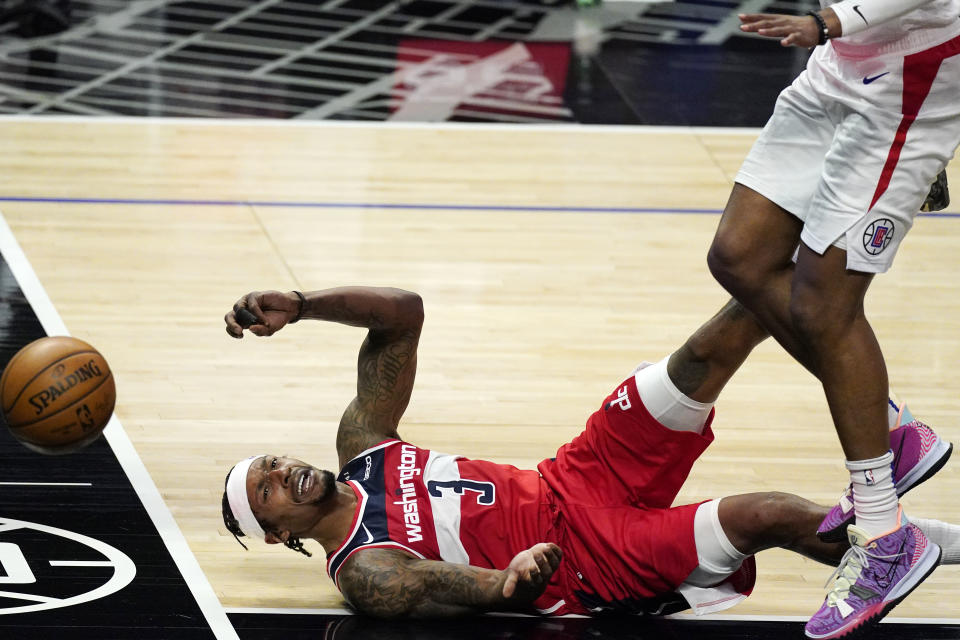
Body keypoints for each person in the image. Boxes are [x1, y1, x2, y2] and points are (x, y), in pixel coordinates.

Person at [220, 287, 959, 629]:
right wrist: (513, 577)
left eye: (272, 461)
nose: (283, 472)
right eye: (268, 490)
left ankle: (829, 246)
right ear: (281, 534)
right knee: (767, 515)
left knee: (726, 329)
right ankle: (914, 543)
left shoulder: (362, 446)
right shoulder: (361, 567)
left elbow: (403, 313)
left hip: (577, 472)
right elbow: (462, 589)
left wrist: (303, 303)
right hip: (588, 559)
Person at [655, 0, 960, 636]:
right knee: (740, 256)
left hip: (908, 85)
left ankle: (883, 535)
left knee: (824, 305)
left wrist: (830, 20)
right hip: (838, 68)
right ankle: (891, 429)